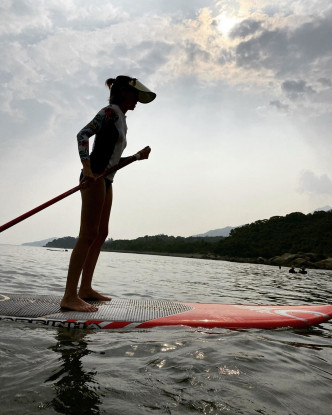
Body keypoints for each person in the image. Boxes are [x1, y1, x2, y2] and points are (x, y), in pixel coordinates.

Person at [60, 76, 156, 312]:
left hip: (107, 179)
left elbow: (113, 161)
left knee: (101, 233)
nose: (137, 101)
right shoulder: (110, 113)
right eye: (134, 95)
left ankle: (85, 289)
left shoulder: (121, 119)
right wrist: (87, 168)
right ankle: (69, 296)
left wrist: (135, 157)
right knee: (88, 233)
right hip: (94, 178)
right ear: (123, 93)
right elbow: (82, 135)